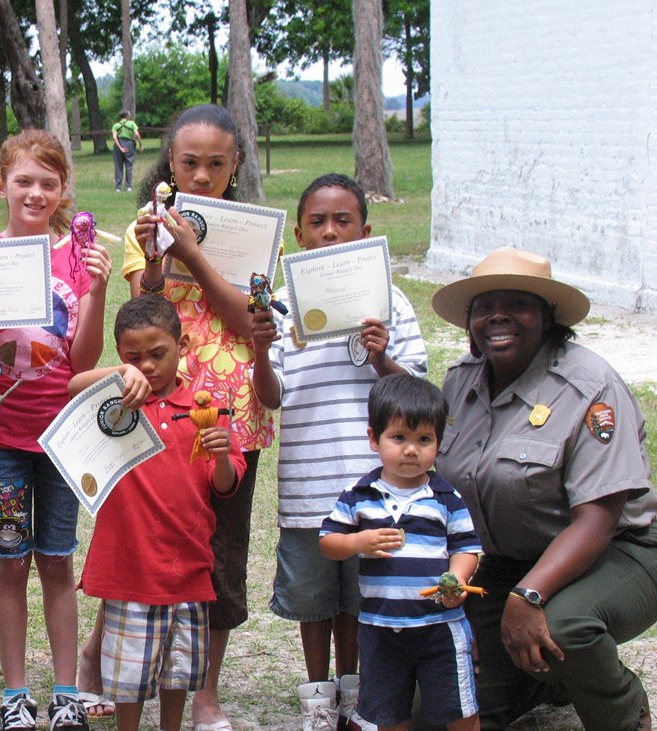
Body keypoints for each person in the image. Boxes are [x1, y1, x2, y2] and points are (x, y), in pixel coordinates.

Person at [428, 247, 657, 731]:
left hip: (620, 550)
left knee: (566, 627)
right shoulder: (460, 384)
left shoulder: (591, 388)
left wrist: (526, 595)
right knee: (443, 710)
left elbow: (598, 518)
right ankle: (546, 681)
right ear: (469, 320)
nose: (498, 316)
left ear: (548, 317)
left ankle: (623, 711)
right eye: (484, 305)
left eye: (518, 303)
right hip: (513, 561)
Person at [0, 129, 111, 731]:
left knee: (57, 562)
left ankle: (65, 695)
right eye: (24, 181)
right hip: (3, 440)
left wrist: (99, 288)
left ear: (63, 189)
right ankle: (15, 696)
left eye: (48, 182)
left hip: (61, 439)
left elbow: (82, 364)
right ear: (1, 183)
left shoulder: (74, 257)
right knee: (9, 563)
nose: (35, 192)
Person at [113, 103, 272, 731]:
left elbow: (246, 321)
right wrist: (159, 256)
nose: (202, 175)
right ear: (169, 163)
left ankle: (204, 692)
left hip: (231, 415)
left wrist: (196, 254)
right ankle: (114, 656)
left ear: (235, 166)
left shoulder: (255, 234)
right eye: (189, 162)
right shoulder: (144, 227)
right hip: (158, 408)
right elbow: (141, 316)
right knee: (148, 535)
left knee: (221, 552)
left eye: (216, 163)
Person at [250, 173, 427, 731]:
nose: (330, 232)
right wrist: (259, 348)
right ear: (299, 236)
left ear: (366, 232)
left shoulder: (391, 304)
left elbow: (416, 397)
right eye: (318, 222)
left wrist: (381, 359)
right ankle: (317, 697)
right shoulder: (278, 307)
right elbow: (269, 397)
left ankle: (354, 691)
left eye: (343, 220)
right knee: (313, 598)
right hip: (308, 486)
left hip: (374, 486)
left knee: (359, 597)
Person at [69, 295, 247, 731]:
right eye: (133, 357)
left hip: (188, 564)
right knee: (127, 679)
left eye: (157, 354)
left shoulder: (208, 411)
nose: (146, 366)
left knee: (178, 672)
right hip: (130, 567)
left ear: (183, 345)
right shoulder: (114, 405)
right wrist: (120, 374)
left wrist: (222, 456)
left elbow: (224, 487)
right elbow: (72, 386)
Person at [319, 374, 482, 731]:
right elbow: (328, 541)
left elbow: (467, 548)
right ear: (373, 439)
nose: (411, 450)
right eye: (399, 438)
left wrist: (457, 576)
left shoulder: (445, 497)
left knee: (459, 709)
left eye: (424, 439)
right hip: (380, 628)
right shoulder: (359, 494)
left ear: (438, 443)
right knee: (387, 713)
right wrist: (358, 542)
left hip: (439, 626)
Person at [111, 110, 142, 192]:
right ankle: (129, 186)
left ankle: (118, 187)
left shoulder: (116, 125)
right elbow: (137, 134)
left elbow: (114, 137)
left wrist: (120, 147)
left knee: (118, 166)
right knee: (129, 166)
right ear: (127, 116)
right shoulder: (132, 124)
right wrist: (140, 144)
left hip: (118, 144)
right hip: (129, 144)